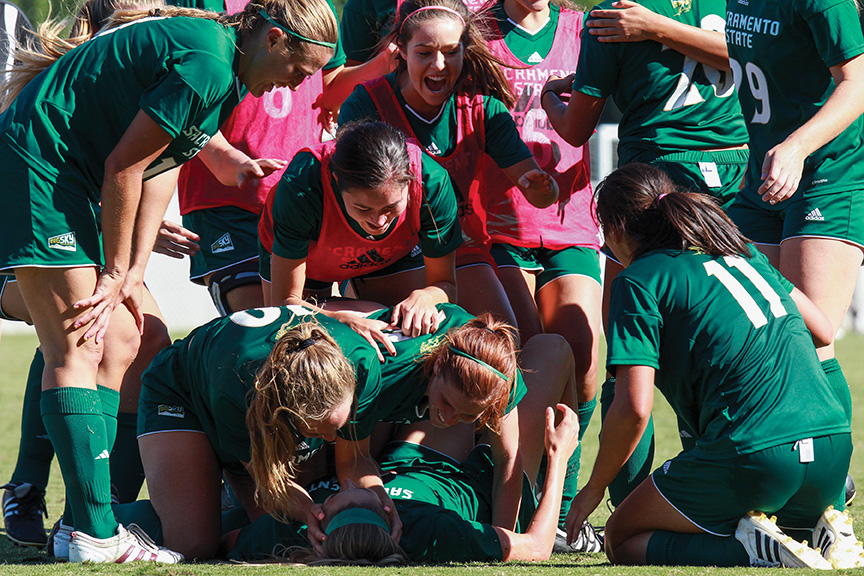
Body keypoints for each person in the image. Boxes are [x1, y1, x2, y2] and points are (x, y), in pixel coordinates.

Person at [0, 0, 338, 562]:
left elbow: (161, 166)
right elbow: (123, 169)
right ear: (274, 39)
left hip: (69, 176)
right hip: (41, 165)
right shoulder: (207, 61)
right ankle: (93, 534)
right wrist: (113, 270)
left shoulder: (225, 72)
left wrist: (130, 273)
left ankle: (86, 525)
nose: (300, 83)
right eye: (300, 69)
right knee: (80, 341)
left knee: (133, 335)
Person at [565, 163, 860, 569]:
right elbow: (823, 331)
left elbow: (633, 408)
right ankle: (818, 527)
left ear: (614, 229)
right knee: (765, 514)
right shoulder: (742, 252)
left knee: (622, 538)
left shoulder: (637, 281)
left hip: (756, 456)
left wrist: (594, 488)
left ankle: (748, 550)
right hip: (832, 455)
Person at [113, 301, 530, 559]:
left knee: (278, 519)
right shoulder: (241, 392)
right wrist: (309, 511)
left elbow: (354, 459)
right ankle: (96, 519)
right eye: (446, 405)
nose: (451, 422)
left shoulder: (366, 365)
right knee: (197, 544)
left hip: (287, 379)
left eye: (337, 427)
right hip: (187, 388)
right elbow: (266, 479)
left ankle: (200, 498)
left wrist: (376, 498)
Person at [540, 0, 750, 506]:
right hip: (736, 181)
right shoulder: (735, 5)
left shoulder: (613, 15)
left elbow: (573, 130)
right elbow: (747, 56)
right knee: (723, 342)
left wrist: (552, 101)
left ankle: (629, 502)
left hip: (653, 187)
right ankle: (723, 489)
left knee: (628, 355)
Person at [338, 0, 560, 326]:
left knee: (508, 344)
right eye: (425, 52)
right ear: (400, 48)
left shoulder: (483, 110)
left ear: (464, 50)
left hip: (459, 250)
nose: (439, 64)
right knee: (418, 346)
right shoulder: (366, 103)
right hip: (385, 254)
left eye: (450, 51)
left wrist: (543, 188)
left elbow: (539, 193)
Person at [173, 0, 396, 317]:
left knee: (311, 332)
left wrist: (384, 63)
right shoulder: (202, 5)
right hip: (226, 201)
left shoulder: (317, 7)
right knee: (265, 328)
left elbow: (327, 90)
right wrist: (223, 159)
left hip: (299, 199)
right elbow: (175, 99)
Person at [483, 0, 601, 542]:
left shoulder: (582, 28)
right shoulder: (476, 28)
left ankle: (566, 503)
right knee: (530, 361)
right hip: (497, 223)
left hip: (570, 219)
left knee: (585, 358)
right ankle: (532, 506)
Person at [724, 0, 864, 458]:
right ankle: (765, 470)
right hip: (764, 173)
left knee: (811, 338)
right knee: (751, 331)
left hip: (829, 171)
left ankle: (830, 483)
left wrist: (797, 146)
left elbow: (858, 83)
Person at [225, 400, 581, 564]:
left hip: (396, 456)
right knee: (552, 348)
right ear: (390, 515)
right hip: (459, 470)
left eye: (339, 497)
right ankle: (569, 524)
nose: (347, 485)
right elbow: (534, 549)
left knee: (382, 387)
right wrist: (559, 457)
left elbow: (223, 542)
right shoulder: (429, 532)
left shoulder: (299, 530)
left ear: (321, 524)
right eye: (362, 496)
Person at [261, 120, 461, 355]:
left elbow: (447, 287)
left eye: (391, 207)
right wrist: (340, 320)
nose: (379, 222)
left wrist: (425, 296)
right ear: (336, 181)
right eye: (364, 209)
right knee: (293, 347)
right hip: (311, 263)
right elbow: (285, 304)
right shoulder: (301, 186)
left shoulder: (431, 182)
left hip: (391, 254)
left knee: (413, 337)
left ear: (410, 181)